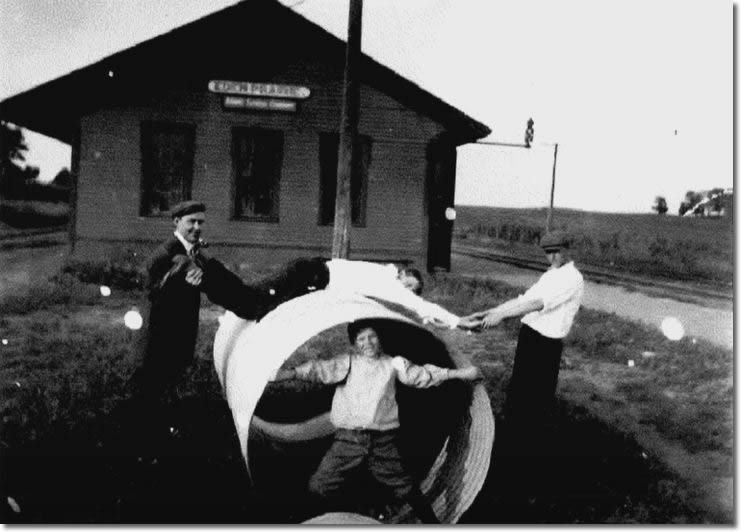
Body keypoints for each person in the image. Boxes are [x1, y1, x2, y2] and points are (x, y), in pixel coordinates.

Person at [271, 320, 482, 523]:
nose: (368, 343)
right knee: (319, 485)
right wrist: (289, 374)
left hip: (383, 441)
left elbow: (422, 375)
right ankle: (303, 522)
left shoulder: (393, 363)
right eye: (361, 339)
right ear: (354, 343)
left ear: (380, 339)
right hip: (349, 439)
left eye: (372, 337)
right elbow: (318, 370)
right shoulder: (348, 362)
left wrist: (461, 373)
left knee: (405, 487)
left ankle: (433, 523)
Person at [129, 200, 270, 404]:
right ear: (176, 221)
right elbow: (152, 296)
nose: (197, 227)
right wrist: (182, 285)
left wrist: (251, 302)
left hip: (179, 335)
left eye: (201, 222)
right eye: (191, 222)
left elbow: (221, 281)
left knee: (170, 390)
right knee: (150, 395)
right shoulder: (164, 255)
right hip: (158, 340)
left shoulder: (195, 252)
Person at [464, 230, 584, 445]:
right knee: (519, 393)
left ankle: (529, 444)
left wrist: (501, 316)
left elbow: (538, 304)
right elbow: (525, 299)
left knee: (537, 398)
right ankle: (512, 436)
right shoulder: (551, 274)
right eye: (548, 253)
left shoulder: (572, 277)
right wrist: (490, 312)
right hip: (530, 337)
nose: (553, 257)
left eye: (556, 252)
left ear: (567, 250)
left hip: (547, 343)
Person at [262, 257, 481, 331]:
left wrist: (446, 322)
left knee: (273, 304)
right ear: (403, 274)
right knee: (262, 299)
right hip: (314, 274)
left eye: (411, 290)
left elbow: (420, 308)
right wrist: (457, 321)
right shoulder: (390, 280)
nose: (408, 291)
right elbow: (420, 305)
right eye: (410, 285)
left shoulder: (384, 274)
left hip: (315, 272)